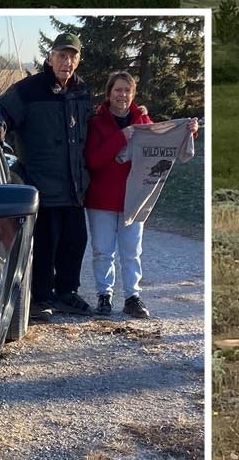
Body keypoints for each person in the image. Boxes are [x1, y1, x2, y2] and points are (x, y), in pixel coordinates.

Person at [0, 33, 95, 318]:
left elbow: (101, 124)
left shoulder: (82, 93)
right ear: (50, 57)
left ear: (78, 61)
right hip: (40, 186)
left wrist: (136, 116)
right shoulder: (28, 91)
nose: (66, 62)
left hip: (74, 187)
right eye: (61, 56)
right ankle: (39, 298)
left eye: (72, 57)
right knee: (45, 244)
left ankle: (67, 293)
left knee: (74, 241)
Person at [83, 72, 200, 319]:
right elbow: (93, 160)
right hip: (101, 199)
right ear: (109, 93)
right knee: (103, 250)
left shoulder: (143, 121)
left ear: (133, 94)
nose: (122, 95)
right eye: (117, 90)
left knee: (131, 250)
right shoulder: (96, 123)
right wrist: (120, 138)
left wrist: (189, 131)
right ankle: (104, 295)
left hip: (136, 198)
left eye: (127, 90)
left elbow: (164, 142)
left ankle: (132, 297)